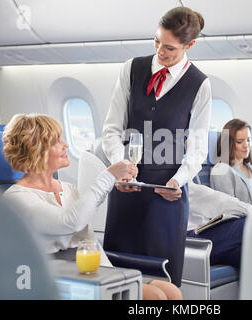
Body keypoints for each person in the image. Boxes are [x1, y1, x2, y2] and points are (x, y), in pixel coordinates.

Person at [1, 113, 181, 300]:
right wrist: (108, 176)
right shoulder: (15, 199)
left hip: (91, 272)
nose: (66, 145)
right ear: (36, 150)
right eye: (56, 141)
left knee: (171, 291)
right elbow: (69, 222)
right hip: (58, 280)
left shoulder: (68, 189)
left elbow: (88, 237)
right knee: (156, 297)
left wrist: (114, 277)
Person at [102, 7, 212, 287]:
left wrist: (178, 180)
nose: (160, 52)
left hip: (168, 197)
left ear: (190, 45)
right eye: (157, 42)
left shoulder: (200, 85)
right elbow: (112, 129)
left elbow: (198, 147)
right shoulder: (132, 69)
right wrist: (120, 168)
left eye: (170, 48)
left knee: (162, 279)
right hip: (126, 189)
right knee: (119, 276)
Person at [210, 119, 252, 206]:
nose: (246, 145)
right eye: (240, 141)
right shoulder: (221, 170)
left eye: (248, 140)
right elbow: (231, 208)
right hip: (249, 218)